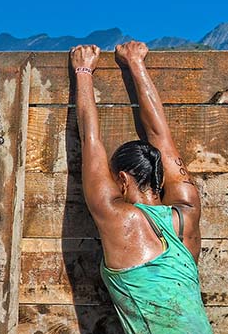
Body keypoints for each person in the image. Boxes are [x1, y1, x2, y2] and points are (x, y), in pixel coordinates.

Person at [69, 41, 212, 333]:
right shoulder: (187, 210)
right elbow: (161, 136)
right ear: (160, 177)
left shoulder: (118, 218)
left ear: (122, 179)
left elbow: (91, 141)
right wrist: (136, 62)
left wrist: (83, 70)